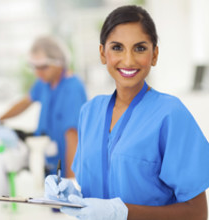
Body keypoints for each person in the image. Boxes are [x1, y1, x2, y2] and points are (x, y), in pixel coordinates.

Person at [45, 5, 209, 220]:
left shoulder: (170, 114)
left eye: (140, 48)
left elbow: (197, 213)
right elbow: (94, 190)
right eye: (117, 48)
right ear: (103, 53)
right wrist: (72, 195)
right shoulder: (90, 112)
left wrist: (123, 212)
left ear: (155, 54)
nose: (129, 60)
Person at [0, 36, 87, 178]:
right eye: (35, 67)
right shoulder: (44, 83)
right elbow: (24, 103)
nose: (38, 72)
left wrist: (71, 182)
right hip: (47, 160)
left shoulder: (72, 89)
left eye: (43, 67)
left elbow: (73, 138)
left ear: (59, 62)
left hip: (67, 165)